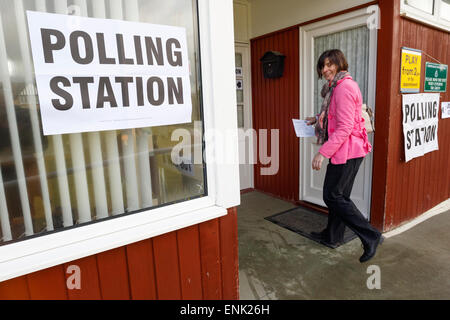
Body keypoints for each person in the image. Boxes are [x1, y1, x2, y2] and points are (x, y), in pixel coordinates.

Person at [306, 49, 384, 263]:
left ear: (340, 64)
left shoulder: (344, 88)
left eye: (329, 64)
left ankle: (371, 236)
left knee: (333, 196)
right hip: (347, 150)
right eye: (322, 66)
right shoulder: (336, 87)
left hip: (347, 151)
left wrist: (322, 153)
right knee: (339, 196)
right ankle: (332, 236)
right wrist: (316, 119)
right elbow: (338, 115)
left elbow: (345, 127)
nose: (325, 70)